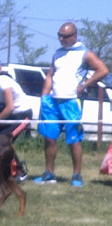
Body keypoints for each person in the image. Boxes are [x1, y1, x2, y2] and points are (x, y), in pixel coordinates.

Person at [33, 23, 108, 187]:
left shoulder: (85, 53)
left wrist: (85, 84)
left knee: (74, 139)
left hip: (72, 101)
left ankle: (76, 175)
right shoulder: (57, 53)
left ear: (74, 36)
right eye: (59, 35)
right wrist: (44, 95)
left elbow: (103, 70)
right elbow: (50, 74)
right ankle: (49, 173)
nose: (61, 39)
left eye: (65, 36)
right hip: (53, 101)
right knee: (49, 138)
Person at [0, 64, 33, 134]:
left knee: (3, 139)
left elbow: (10, 108)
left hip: (23, 115)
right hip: (10, 115)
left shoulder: (3, 81)